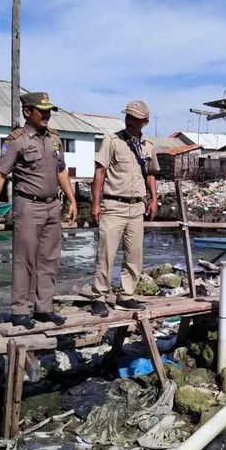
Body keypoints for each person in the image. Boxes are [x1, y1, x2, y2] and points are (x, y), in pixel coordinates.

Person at [0, 92, 77, 328]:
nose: (47, 115)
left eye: (49, 111)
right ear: (27, 112)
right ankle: (20, 310)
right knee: (25, 260)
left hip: (53, 205)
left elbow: (61, 171)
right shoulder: (16, 140)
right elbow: (0, 174)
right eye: (41, 111)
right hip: (28, 205)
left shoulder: (54, 138)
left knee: (49, 258)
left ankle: (44, 308)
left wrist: (72, 200)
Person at [90, 101, 160, 317]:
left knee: (134, 255)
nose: (130, 121)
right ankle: (99, 297)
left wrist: (154, 199)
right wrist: (95, 203)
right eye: (128, 116)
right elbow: (100, 172)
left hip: (137, 208)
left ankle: (127, 295)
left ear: (145, 122)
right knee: (106, 254)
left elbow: (150, 174)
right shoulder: (113, 141)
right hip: (113, 205)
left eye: (136, 118)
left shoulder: (148, 146)